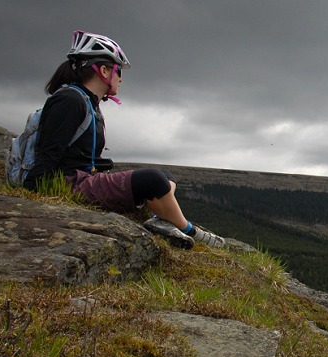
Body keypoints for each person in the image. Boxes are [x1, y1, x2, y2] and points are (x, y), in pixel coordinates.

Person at [24, 30, 224, 249]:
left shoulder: (87, 101)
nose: (120, 78)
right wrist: (33, 193)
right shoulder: (70, 100)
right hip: (70, 183)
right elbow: (49, 151)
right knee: (153, 179)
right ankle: (190, 230)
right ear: (103, 70)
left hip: (83, 177)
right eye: (118, 70)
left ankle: (162, 220)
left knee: (166, 177)